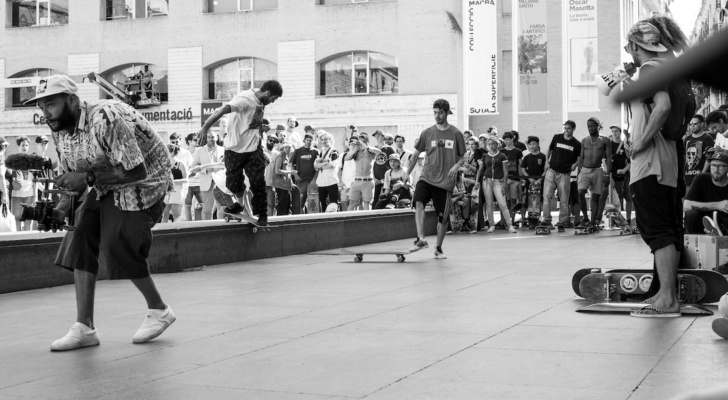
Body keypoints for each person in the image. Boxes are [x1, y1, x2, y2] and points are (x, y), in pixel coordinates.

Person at [31, 75, 174, 351]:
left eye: (50, 104)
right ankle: (85, 327)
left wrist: (85, 178)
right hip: (104, 181)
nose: (45, 113)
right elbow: (73, 178)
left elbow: (136, 170)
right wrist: (59, 211)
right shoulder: (59, 128)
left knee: (117, 240)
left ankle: (160, 310)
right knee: (80, 234)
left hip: (146, 180)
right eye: (41, 107)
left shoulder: (105, 117)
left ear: (72, 100)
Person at [623, 21, 683, 317]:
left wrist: (640, 143)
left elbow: (662, 105)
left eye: (628, 47)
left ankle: (668, 300)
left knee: (657, 231)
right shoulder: (663, 66)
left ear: (636, 46)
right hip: (666, 160)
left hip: (650, 162)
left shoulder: (650, 69)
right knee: (667, 230)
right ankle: (665, 294)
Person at [198, 80, 282, 226]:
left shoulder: (260, 96)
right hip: (234, 148)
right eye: (273, 99)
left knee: (258, 181)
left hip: (253, 147)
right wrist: (205, 128)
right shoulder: (244, 100)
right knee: (233, 183)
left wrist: (260, 127)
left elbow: (249, 120)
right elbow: (220, 111)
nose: (273, 102)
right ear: (267, 93)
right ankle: (240, 204)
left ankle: (262, 216)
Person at [407, 99, 467, 258]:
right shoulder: (427, 133)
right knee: (418, 202)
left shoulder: (456, 134)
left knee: (443, 217)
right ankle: (421, 239)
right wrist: (407, 174)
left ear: (447, 113)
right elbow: (415, 155)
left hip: (445, 181)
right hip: (427, 176)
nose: (437, 115)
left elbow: (463, 157)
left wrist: (456, 166)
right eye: (435, 112)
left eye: (440, 112)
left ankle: (438, 248)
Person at [540, 121, 581, 230]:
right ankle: (546, 220)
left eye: (568, 128)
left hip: (565, 174)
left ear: (573, 129)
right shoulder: (557, 137)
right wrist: (546, 162)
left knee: (563, 200)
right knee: (547, 197)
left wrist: (575, 165)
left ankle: (562, 222)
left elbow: (581, 157)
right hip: (551, 171)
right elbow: (549, 149)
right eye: (565, 128)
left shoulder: (576, 144)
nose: (566, 130)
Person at [475, 136, 517, 234]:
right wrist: (477, 181)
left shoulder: (502, 156)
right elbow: (480, 169)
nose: (491, 145)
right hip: (486, 181)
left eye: (493, 143)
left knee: (502, 204)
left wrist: (505, 186)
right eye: (489, 144)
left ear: (497, 144)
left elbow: (506, 172)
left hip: (498, 181)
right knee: (489, 204)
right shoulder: (485, 156)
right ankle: (491, 225)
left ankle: (510, 225)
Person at [576, 117, 611, 229]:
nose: (590, 128)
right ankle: (585, 218)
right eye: (589, 126)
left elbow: (609, 158)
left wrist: (608, 174)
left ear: (598, 126)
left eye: (592, 126)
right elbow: (581, 158)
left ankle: (592, 222)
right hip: (585, 170)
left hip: (598, 170)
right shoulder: (584, 140)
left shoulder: (605, 140)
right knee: (580, 192)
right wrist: (578, 173)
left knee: (595, 197)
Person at [683, 152, 728, 239]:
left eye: (721, 166)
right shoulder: (701, 179)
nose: (716, 169)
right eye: (713, 165)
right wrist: (718, 205)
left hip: (723, 224)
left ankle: (719, 232)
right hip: (701, 223)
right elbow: (686, 205)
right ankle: (696, 244)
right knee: (691, 215)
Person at [599, 124, 633, 227]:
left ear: (620, 133)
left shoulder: (624, 144)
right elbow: (604, 160)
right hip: (611, 175)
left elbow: (629, 160)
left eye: (616, 131)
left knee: (626, 197)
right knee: (607, 197)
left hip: (624, 176)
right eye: (612, 131)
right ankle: (603, 219)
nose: (614, 133)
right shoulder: (608, 144)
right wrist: (607, 172)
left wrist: (624, 170)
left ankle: (627, 219)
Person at [189, 131, 224, 220]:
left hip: (221, 182)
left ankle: (221, 229)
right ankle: (209, 230)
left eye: (212, 137)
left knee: (222, 209)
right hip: (207, 183)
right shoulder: (199, 150)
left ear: (217, 137)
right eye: (208, 137)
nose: (210, 139)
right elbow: (193, 166)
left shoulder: (223, 149)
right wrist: (206, 169)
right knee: (207, 210)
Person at [345, 135, 380, 210]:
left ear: (367, 141)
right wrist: (354, 149)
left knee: (367, 203)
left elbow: (379, 152)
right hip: (357, 181)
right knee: (352, 202)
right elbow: (346, 158)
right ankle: (349, 220)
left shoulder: (371, 151)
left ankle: (366, 221)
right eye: (360, 142)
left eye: (364, 141)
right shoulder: (356, 152)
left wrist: (367, 147)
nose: (361, 144)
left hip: (368, 181)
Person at [9, 136, 36, 231]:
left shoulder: (32, 160)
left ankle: (28, 242)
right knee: (17, 220)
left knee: (29, 220)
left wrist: (35, 195)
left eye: (26, 145)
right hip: (16, 195)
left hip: (29, 194)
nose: (25, 147)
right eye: (22, 145)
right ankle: (18, 242)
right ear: (18, 147)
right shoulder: (13, 161)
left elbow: (35, 179)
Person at [520, 136, 547, 226]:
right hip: (530, 182)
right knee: (529, 200)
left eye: (534, 144)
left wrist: (540, 179)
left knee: (541, 200)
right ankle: (531, 219)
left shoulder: (543, 156)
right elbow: (523, 169)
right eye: (530, 144)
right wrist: (530, 179)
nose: (532, 146)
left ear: (538, 144)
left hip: (541, 182)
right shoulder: (527, 157)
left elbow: (546, 169)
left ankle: (542, 218)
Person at [290, 133, 319, 214]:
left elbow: (318, 168)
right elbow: (291, 164)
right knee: (299, 205)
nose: (309, 142)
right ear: (304, 140)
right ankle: (299, 221)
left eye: (311, 140)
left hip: (313, 182)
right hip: (301, 181)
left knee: (313, 206)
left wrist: (314, 180)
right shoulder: (298, 151)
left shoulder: (316, 152)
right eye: (307, 140)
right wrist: (295, 175)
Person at [682, 116, 714, 188]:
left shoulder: (707, 138)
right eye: (690, 124)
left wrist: (702, 174)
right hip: (687, 178)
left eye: (695, 123)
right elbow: (684, 158)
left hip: (702, 177)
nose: (692, 125)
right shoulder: (686, 139)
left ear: (702, 124)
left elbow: (708, 158)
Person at [162, 144, 188, 223]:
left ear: (172, 152)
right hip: (166, 192)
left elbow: (186, 180)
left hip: (176, 192)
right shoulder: (164, 164)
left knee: (177, 216)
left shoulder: (180, 164)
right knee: (164, 215)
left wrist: (172, 182)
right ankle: (163, 233)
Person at [314, 131, 339, 211]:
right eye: (322, 139)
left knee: (333, 204)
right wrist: (326, 161)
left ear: (330, 140)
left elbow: (332, 165)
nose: (324, 141)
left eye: (326, 139)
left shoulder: (334, 151)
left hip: (331, 181)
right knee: (323, 204)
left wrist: (321, 164)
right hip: (321, 183)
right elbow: (315, 166)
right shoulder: (321, 152)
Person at [500, 131, 523, 213]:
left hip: (515, 179)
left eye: (507, 139)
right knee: (506, 200)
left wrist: (521, 179)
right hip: (504, 179)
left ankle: (512, 219)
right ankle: (506, 220)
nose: (506, 141)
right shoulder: (501, 151)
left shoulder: (518, 151)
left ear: (512, 139)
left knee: (514, 199)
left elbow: (520, 166)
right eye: (504, 140)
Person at [272, 140, 296, 215]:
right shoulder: (280, 156)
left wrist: (291, 183)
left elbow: (287, 171)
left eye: (289, 147)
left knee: (287, 205)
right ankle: (279, 223)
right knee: (282, 206)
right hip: (281, 186)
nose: (288, 149)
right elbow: (277, 171)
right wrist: (291, 172)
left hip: (286, 186)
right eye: (286, 147)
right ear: (283, 148)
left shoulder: (286, 157)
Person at [183, 133, 203, 221]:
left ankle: (202, 226)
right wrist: (188, 174)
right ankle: (189, 226)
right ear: (189, 141)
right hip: (188, 184)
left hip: (199, 184)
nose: (197, 141)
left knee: (203, 206)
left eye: (197, 139)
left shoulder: (200, 151)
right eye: (195, 140)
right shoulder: (184, 153)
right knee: (187, 206)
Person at [372, 130, 395, 201]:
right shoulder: (373, 149)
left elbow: (394, 164)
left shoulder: (389, 149)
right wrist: (373, 178)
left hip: (386, 179)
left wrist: (388, 177)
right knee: (375, 200)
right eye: (375, 136)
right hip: (376, 179)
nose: (377, 138)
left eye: (378, 136)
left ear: (383, 136)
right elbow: (371, 165)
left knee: (386, 198)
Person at [338, 137, 357, 211]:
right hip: (344, 185)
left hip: (355, 185)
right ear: (348, 145)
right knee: (344, 205)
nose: (352, 146)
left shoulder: (359, 155)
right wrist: (340, 182)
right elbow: (339, 170)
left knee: (354, 206)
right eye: (351, 144)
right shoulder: (342, 156)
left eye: (354, 144)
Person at [264, 135, 279, 216]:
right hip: (260, 184)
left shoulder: (277, 154)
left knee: (271, 205)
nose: (272, 142)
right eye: (270, 140)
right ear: (267, 140)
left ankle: (270, 221)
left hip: (271, 184)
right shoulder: (260, 151)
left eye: (274, 141)